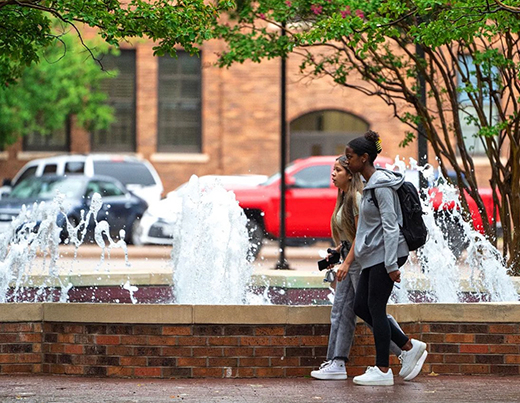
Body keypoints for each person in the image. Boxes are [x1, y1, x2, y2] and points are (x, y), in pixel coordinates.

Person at [344, 130, 428, 386]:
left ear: (364, 158)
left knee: (376, 309)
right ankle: (407, 345)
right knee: (361, 307)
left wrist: (392, 264)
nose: (347, 162)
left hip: (386, 256)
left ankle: (382, 370)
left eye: (350, 157)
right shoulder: (371, 184)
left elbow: (391, 225)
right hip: (374, 256)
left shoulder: (381, 184)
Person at [310, 156, 403, 380]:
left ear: (350, 174)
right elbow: (352, 235)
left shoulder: (356, 198)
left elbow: (363, 235)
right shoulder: (343, 198)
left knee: (365, 310)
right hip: (350, 258)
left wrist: (348, 261)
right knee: (344, 311)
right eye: (333, 169)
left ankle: (404, 349)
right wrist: (338, 250)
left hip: (358, 261)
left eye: (338, 170)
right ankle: (337, 361)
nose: (333, 173)